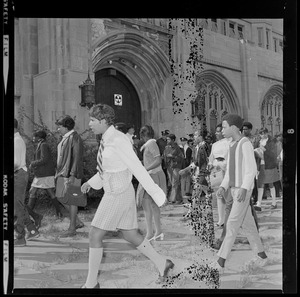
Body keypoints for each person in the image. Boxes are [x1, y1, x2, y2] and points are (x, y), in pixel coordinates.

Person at [80, 103, 174, 288]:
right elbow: (109, 168)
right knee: (130, 234)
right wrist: (91, 183)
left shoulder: (118, 139)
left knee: (95, 234)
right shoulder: (107, 139)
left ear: (104, 121)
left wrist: (155, 192)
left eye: (92, 120)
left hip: (118, 193)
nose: (89, 124)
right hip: (116, 190)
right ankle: (164, 264)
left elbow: (136, 167)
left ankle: (91, 285)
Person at [213, 114, 268, 274]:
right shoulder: (232, 145)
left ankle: (220, 262)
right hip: (235, 189)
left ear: (234, 128)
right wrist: (223, 187)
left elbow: (251, 170)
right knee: (249, 225)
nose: (222, 130)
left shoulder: (245, 144)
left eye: (224, 127)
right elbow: (230, 172)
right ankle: (262, 256)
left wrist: (244, 189)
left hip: (242, 190)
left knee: (231, 224)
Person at [55, 115, 85, 237]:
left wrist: (72, 175)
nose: (58, 129)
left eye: (60, 126)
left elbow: (77, 158)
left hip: (71, 174)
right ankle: (76, 221)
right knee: (59, 196)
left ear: (67, 127)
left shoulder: (75, 138)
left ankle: (72, 228)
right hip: (62, 173)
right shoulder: (65, 138)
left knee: (72, 200)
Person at [137, 125, 167, 241]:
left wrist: (145, 169)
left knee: (147, 204)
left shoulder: (150, 144)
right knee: (152, 205)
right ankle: (156, 232)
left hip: (153, 176)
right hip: (152, 175)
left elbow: (158, 160)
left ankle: (151, 233)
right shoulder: (150, 144)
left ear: (143, 135)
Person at [27, 130, 63, 226]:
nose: (33, 138)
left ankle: (28, 213)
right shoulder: (41, 144)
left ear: (40, 137)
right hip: (42, 173)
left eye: (34, 136)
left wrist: (32, 163)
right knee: (45, 191)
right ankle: (59, 213)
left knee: (34, 191)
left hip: (45, 174)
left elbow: (44, 159)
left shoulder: (43, 145)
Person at [14, 119, 40, 246]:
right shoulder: (16, 140)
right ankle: (32, 229)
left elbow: (16, 163)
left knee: (16, 207)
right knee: (18, 205)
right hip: (18, 175)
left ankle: (20, 237)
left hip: (18, 175)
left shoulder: (16, 141)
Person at [208, 123, 230, 228]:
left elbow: (230, 158)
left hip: (226, 170)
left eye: (218, 131)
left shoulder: (230, 143)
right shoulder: (215, 145)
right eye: (216, 131)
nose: (216, 133)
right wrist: (211, 165)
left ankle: (230, 218)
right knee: (219, 194)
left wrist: (223, 166)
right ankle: (221, 219)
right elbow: (211, 158)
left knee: (228, 196)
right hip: (216, 171)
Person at [254, 128, 281, 211]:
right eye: (261, 134)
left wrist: (264, 150)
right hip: (260, 164)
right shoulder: (258, 142)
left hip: (269, 165)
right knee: (260, 183)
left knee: (270, 183)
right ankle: (259, 203)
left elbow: (273, 154)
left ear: (267, 133)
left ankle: (274, 202)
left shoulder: (272, 141)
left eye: (264, 133)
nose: (262, 135)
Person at [163, 133, 184, 204]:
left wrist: (173, 157)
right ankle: (179, 198)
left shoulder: (177, 148)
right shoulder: (166, 148)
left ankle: (172, 199)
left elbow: (181, 158)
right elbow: (164, 156)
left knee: (175, 182)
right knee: (173, 183)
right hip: (169, 167)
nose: (167, 140)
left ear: (173, 140)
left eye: (168, 139)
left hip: (176, 166)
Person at [180, 137, 192, 201]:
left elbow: (188, 159)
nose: (182, 142)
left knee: (186, 183)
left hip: (186, 167)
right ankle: (184, 197)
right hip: (183, 167)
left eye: (183, 141)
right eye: (182, 141)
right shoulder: (182, 149)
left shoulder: (188, 149)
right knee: (184, 182)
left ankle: (185, 197)